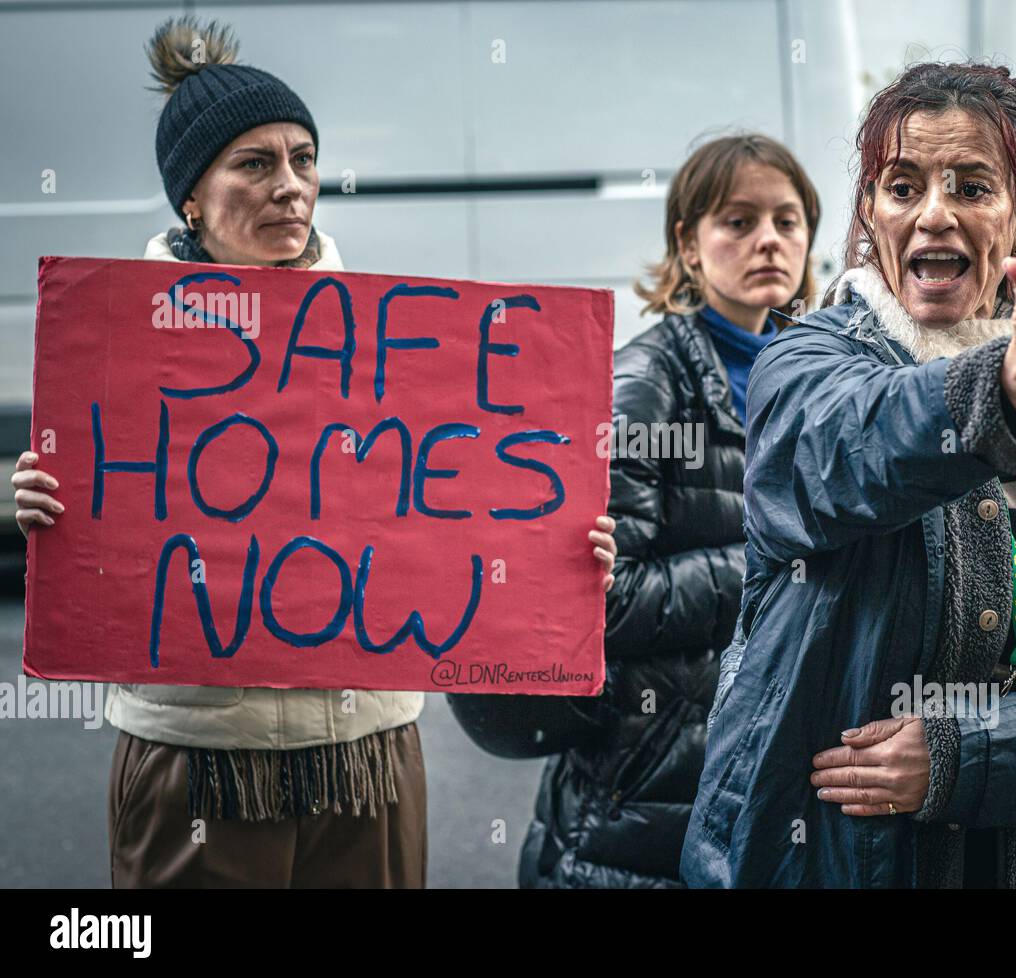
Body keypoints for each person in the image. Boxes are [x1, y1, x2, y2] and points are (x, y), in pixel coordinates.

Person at [10, 16, 616, 888]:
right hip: (200, 759)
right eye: (254, 164)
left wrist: (562, 546)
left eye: (303, 158)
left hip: (364, 752)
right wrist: (50, 506)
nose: (291, 186)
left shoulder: (396, 350)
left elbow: (469, 509)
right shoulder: (114, 358)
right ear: (190, 196)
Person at [682, 62, 1016, 888]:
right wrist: (1005, 398)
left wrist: (962, 756)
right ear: (871, 216)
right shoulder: (802, 361)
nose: (933, 212)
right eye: (902, 186)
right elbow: (849, 451)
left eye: (972, 186)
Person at [447, 133, 821, 886]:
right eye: (738, 222)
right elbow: (607, 597)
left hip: (770, 787)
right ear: (687, 245)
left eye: (787, 220)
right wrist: (774, 567)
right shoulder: (646, 383)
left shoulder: (823, 373)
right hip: (640, 802)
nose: (768, 241)